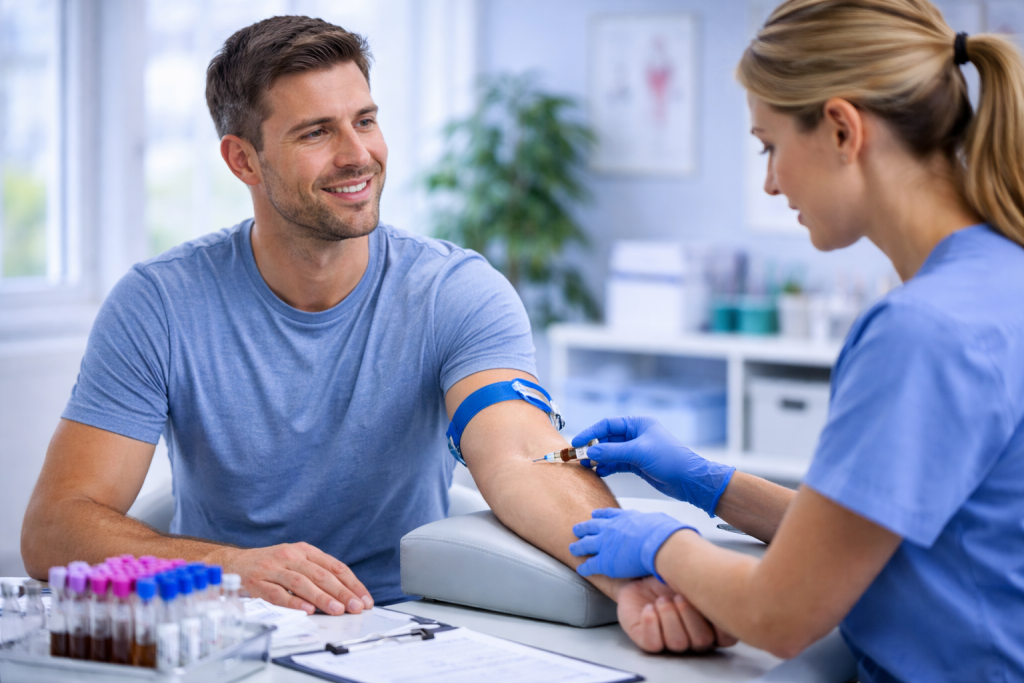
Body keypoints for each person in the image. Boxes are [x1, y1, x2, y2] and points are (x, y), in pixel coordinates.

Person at [19, 14, 727, 653]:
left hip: (412, 625)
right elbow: (56, 525)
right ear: (243, 161)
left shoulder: (455, 291)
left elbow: (521, 457)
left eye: (365, 119)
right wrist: (228, 566)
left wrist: (639, 578)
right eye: (316, 132)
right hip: (230, 632)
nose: (358, 154)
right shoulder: (159, 303)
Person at [568, 0, 1024, 679]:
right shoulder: (1001, 275)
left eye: (770, 146)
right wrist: (709, 482)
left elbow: (782, 613)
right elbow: (863, 535)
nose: (770, 182)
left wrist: (664, 543)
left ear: (842, 129)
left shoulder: (920, 333)